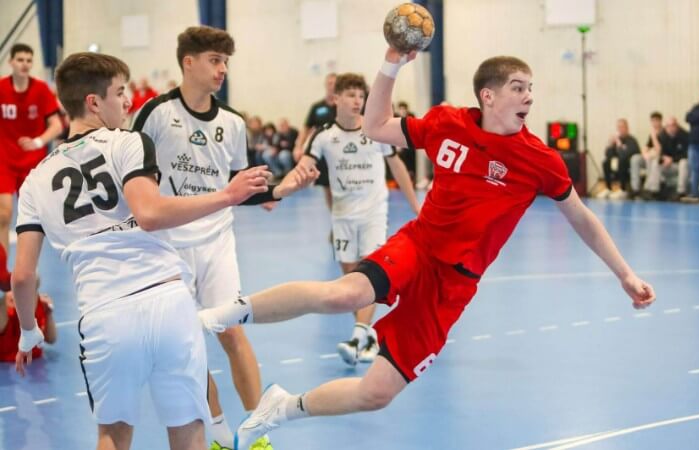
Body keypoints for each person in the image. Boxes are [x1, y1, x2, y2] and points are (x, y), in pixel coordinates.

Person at [199, 50, 656, 450]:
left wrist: (625, 274)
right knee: (346, 294)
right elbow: (375, 125)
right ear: (488, 96)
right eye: (518, 88)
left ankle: (282, 407)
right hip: (419, 245)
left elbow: (582, 217)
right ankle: (222, 314)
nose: (529, 97)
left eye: (531, 89)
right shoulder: (447, 123)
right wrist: (391, 65)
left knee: (375, 393)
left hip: (454, 284)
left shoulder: (540, 159)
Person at [12, 51, 275, 450]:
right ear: (93, 102)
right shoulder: (128, 142)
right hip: (168, 302)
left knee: (113, 435)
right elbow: (150, 214)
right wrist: (227, 196)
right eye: (120, 93)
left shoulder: (35, 181)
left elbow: (22, 277)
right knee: (188, 429)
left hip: (104, 314)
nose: (128, 102)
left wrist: (29, 331)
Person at [132, 26, 311, 450]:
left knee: (231, 331)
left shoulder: (232, 122)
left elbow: (239, 187)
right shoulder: (155, 114)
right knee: (187, 345)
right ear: (188, 62)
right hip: (167, 246)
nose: (222, 69)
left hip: (216, 243)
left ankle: (256, 432)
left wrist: (280, 190)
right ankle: (216, 433)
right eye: (214, 60)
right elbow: (134, 180)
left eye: (226, 62)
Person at [298, 73, 420, 366]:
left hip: (373, 213)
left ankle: (356, 337)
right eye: (351, 95)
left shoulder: (375, 130)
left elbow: (397, 166)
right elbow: (303, 166)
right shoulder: (324, 135)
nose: (357, 101)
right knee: (353, 282)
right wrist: (276, 192)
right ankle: (369, 337)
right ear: (336, 99)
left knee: (370, 274)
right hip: (342, 216)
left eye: (361, 96)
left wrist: (417, 206)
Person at [0, 43, 64, 255]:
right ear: (11, 62)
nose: (25, 64)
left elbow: (57, 125)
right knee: (4, 214)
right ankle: (2, 269)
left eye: (29, 60)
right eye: (20, 60)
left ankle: (27, 268)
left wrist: (37, 141)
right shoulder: (1, 88)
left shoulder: (41, 90)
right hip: (4, 159)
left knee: (30, 219)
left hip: (32, 161)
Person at [294, 73, 338, 211]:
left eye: (335, 83)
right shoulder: (317, 107)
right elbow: (306, 128)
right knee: (327, 186)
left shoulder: (344, 106)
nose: (332, 86)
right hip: (323, 153)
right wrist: (298, 146)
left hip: (340, 151)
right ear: (325, 85)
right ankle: (334, 216)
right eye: (329, 83)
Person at [597, 118, 640, 199]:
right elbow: (608, 154)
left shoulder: (631, 140)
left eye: (622, 127)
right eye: (618, 127)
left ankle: (623, 190)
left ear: (627, 128)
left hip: (628, 165)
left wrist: (619, 144)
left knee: (622, 161)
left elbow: (624, 154)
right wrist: (610, 144)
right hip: (618, 164)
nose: (620, 129)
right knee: (606, 161)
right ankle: (608, 188)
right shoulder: (616, 141)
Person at [630, 112, 663, 199]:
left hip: (658, 159)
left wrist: (654, 137)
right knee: (635, 158)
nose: (654, 123)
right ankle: (635, 188)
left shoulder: (663, 133)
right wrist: (645, 154)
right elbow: (646, 147)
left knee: (652, 159)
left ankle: (649, 188)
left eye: (656, 121)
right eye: (652, 121)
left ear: (660, 121)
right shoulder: (652, 133)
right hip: (649, 157)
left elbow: (659, 150)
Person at [657, 117, 691, 200]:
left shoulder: (685, 136)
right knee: (655, 163)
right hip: (668, 165)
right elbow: (660, 152)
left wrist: (672, 159)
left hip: (680, 164)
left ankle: (681, 192)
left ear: (677, 126)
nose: (671, 128)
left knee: (684, 162)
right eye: (668, 126)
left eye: (673, 125)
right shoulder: (662, 136)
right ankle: (655, 191)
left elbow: (687, 154)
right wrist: (663, 158)